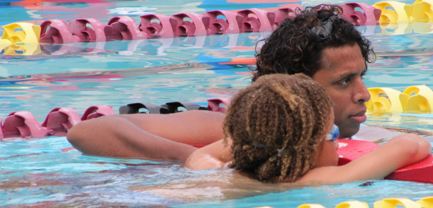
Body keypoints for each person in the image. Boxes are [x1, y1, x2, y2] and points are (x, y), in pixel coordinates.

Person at [67, 5, 380, 162]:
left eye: (361, 77)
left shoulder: (376, 137)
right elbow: (87, 131)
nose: (364, 94)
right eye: (343, 82)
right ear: (295, 90)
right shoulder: (229, 131)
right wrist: (190, 159)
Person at [186, 74, 431, 183]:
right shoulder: (313, 180)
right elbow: (412, 145)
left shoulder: (230, 171)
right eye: (333, 133)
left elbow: (200, 155)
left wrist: (212, 168)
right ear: (307, 147)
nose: (338, 142)